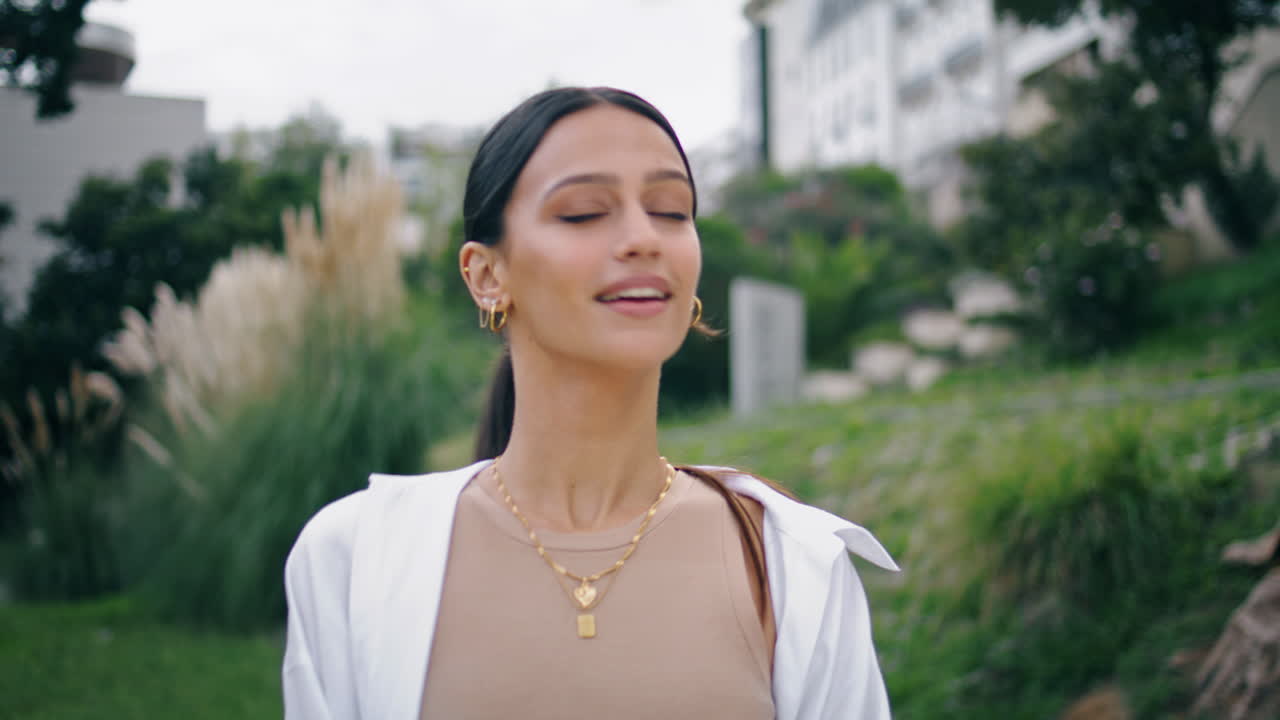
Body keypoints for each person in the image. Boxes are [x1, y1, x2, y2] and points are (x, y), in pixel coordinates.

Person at [282, 86, 899, 720]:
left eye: (670, 210)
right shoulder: (353, 558)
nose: (643, 239)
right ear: (487, 275)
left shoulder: (793, 562)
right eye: (582, 213)